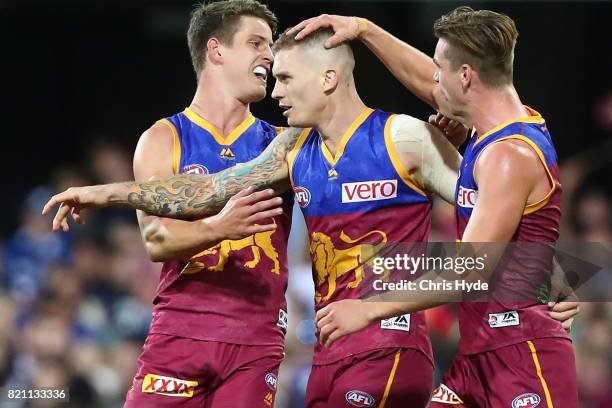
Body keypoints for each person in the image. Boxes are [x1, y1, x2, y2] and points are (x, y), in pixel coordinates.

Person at [43, 24, 579, 407]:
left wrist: (564, 276)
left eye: (285, 81)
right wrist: (110, 193)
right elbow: (208, 191)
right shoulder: (292, 151)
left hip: (395, 342)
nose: (273, 94)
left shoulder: (406, 138)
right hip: (335, 348)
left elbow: (490, 230)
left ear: (327, 79)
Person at [290, 7, 579, 407]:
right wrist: (364, 29)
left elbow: (468, 271)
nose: (434, 78)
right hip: (477, 354)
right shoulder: (496, 126)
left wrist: (368, 309)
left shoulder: (508, 155)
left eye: (441, 68)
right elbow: (428, 80)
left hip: (523, 355)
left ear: (466, 76)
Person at [85, 1, 298, 406]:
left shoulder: (283, 141)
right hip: (180, 331)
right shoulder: (164, 138)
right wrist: (220, 227)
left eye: (269, 46)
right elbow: (156, 241)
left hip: (256, 339)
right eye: (256, 43)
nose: (269, 56)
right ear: (216, 50)